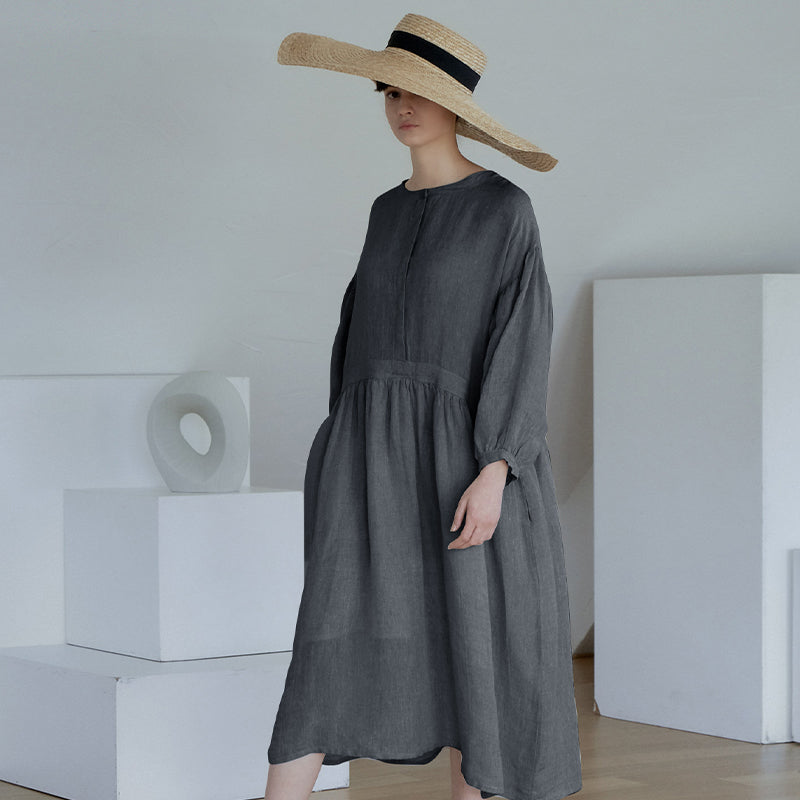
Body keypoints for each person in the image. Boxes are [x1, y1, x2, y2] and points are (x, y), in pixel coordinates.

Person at [265, 13, 581, 800]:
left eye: (421, 93)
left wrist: (497, 468)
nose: (403, 107)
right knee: (326, 650)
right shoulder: (386, 210)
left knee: (471, 657)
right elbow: (358, 342)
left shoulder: (504, 210)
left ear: (456, 107)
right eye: (390, 92)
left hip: (463, 469)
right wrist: (341, 450)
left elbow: (521, 339)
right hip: (368, 469)